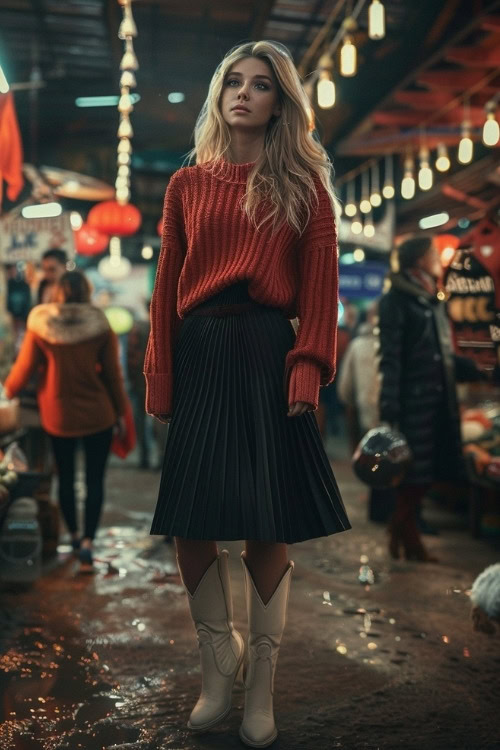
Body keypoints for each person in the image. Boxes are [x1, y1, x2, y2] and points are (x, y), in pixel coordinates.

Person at [144, 40, 351, 748]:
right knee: (191, 519)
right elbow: (165, 289)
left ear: (279, 102)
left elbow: (320, 291)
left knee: (269, 521)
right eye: (233, 81)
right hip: (200, 350)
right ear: (218, 92)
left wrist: (308, 367)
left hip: (268, 351)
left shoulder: (304, 187)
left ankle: (260, 684)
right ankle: (217, 665)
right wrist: (160, 376)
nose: (243, 93)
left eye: (261, 85)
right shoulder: (186, 185)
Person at [4, 270, 127, 570]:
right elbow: (112, 375)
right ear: (86, 291)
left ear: (58, 292)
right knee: (95, 480)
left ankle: (72, 536)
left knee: (67, 479)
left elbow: (23, 369)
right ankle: (88, 541)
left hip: (59, 415)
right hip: (99, 413)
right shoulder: (99, 324)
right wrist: (121, 413)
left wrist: (7, 391)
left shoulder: (42, 323)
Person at [377, 236, 481, 562]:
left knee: (425, 473)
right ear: (418, 260)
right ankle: (408, 537)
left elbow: (440, 351)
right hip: (413, 401)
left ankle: (401, 532)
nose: (438, 258)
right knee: (412, 475)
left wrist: (476, 369)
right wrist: (390, 403)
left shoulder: (431, 298)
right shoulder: (396, 299)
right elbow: (391, 356)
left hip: (438, 400)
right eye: (433, 253)